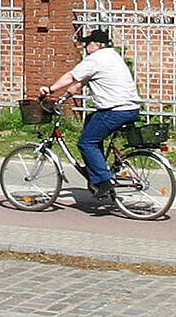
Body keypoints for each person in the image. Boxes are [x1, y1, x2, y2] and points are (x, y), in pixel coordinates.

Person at [37, 25, 143, 209]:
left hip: (115, 111)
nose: (85, 47)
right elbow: (81, 81)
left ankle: (104, 181)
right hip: (129, 109)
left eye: (87, 44)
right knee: (90, 122)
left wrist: (50, 89)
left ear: (96, 45)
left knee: (86, 143)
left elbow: (71, 77)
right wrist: (68, 94)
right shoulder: (112, 56)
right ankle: (97, 169)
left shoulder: (96, 58)